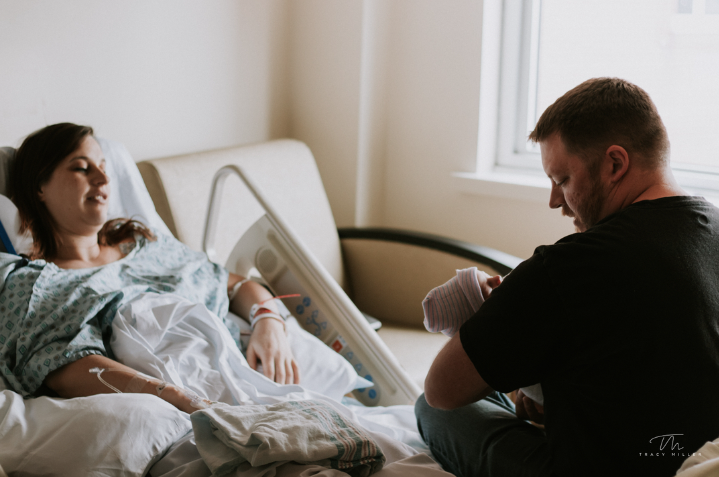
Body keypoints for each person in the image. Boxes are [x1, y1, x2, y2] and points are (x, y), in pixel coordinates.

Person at [414, 78, 719, 477]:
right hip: (693, 457)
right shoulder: (713, 229)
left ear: (615, 164)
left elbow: (442, 389)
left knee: (428, 407)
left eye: (562, 180)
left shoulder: (572, 266)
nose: (555, 200)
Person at [0, 122, 299, 414]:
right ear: (40, 185)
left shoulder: (144, 245)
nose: (103, 179)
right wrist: (173, 396)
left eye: (104, 166)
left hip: (253, 377)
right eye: (81, 168)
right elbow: (62, 366)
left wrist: (268, 319)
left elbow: (234, 285)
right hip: (192, 404)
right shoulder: (35, 284)